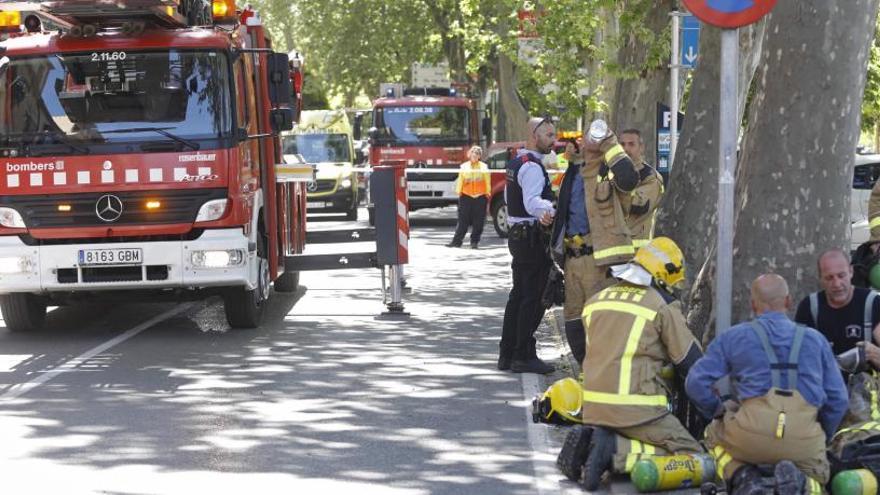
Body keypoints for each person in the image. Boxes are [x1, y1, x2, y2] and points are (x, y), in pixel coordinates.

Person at [686, 274, 848, 494]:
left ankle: (741, 476)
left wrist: (717, 411)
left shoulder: (734, 337)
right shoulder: (816, 340)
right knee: (819, 472)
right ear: (789, 301)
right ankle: (803, 483)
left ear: (753, 304)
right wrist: (820, 433)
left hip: (750, 436)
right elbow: (838, 399)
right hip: (802, 438)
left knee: (713, 433)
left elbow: (695, 383)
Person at [576, 236, 704, 490]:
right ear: (659, 278)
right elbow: (692, 363)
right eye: (669, 285)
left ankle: (601, 442)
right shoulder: (660, 306)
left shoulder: (595, 302)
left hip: (592, 408)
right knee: (695, 459)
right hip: (638, 411)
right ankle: (616, 451)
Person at [550, 121, 640, 367]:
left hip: (601, 264)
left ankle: (601, 380)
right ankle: (585, 377)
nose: (590, 138)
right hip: (572, 262)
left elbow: (629, 179)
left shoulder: (610, 171)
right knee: (573, 324)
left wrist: (610, 143)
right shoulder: (573, 171)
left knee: (601, 326)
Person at [498, 116, 557, 375]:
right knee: (532, 299)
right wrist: (553, 208)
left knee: (518, 297)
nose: (553, 141)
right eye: (549, 135)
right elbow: (532, 202)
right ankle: (523, 355)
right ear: (535, 135)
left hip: (518, 236)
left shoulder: (515, 162)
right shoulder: (531, 166)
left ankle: (507, 353)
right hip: (531, 238)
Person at [794, 249, 880, 364]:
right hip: (824, 380)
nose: (837, 284)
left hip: (866, 379)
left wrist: (875, 354)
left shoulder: (872, 303)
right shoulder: (809, 306)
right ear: (820, 279)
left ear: (851, 272)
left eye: (841, 275)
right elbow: (799, 356)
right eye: (829, 278)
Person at [618, 129, 664, 250]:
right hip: (610, 249)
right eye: (622, 144)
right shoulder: (611, 173)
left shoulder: (650, 177)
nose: (626, 149)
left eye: (631, 144)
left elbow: (640, 205)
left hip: (637, 254)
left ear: (641, 147)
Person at [446, 146, 490, 249]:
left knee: (478, 222)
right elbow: (460, 180)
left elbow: (487, 181)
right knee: (462, 221)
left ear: (479, 156)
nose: (474, 155)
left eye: (477, 154)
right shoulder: (464, 166)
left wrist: (487, 193)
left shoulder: (484, 167)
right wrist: (459, 192)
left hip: (480, 197)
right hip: (466, 196)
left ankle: (474, 242)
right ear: (469, 154)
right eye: (473, 153)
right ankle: (456, 242)